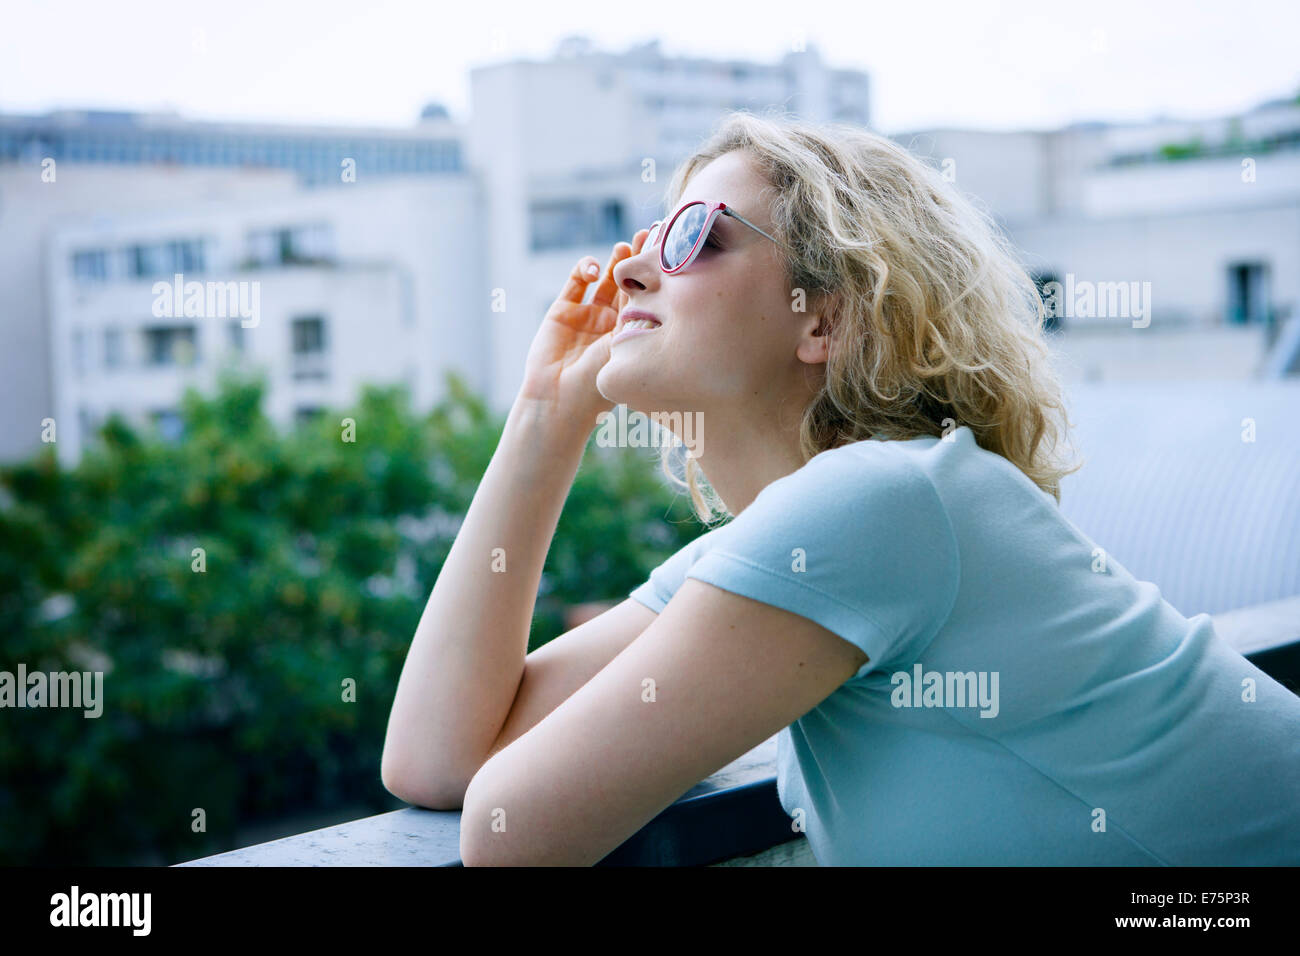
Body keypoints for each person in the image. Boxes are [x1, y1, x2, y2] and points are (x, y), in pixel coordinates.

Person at [381, 110, 1300, 866]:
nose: (630, 266)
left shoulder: (877, 504)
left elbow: (513, 833)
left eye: (693, 234)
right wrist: (545, 417)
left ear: (823, 317)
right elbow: (435, 759)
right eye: (649, 235)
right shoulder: (816, 535)